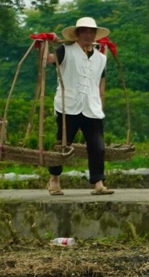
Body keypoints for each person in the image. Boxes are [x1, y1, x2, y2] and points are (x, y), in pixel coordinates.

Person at [44, 16, 114, 197]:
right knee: (62, 144)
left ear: (95, 35)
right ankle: (54, 179)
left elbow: (99, 83)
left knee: (97, 146)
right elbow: (48, 60)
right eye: (84, 31)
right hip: (68, 105)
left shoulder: (100, 58)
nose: (88, 35)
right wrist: (46, 43)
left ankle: (98, 182)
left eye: (91, 32)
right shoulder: (65, 50)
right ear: (77, 34)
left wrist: (100, 102)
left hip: (91, 107)